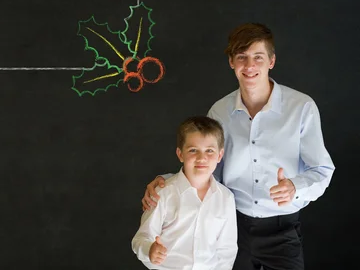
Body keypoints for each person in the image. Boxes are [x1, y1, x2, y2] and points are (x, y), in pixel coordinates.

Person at [141, 23, 335, 270]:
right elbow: (208, 167)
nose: (250, 66)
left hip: (283, 230)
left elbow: (322, 169)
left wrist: (294, 187)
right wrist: (166, 180)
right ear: (232, 62)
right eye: (241, 57)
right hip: (232, 227)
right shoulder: (219, 111)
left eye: (258, 57)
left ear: (271, 61)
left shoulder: (302, 107)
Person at [132, 115, 237, 270]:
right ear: (180, 154)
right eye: (193, 150)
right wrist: (150, 250)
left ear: (219, 155)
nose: (202, 158)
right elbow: (140, 238)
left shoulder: (226, 198)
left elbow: (226, 249)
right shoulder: (163, 193)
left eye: (209, 151)